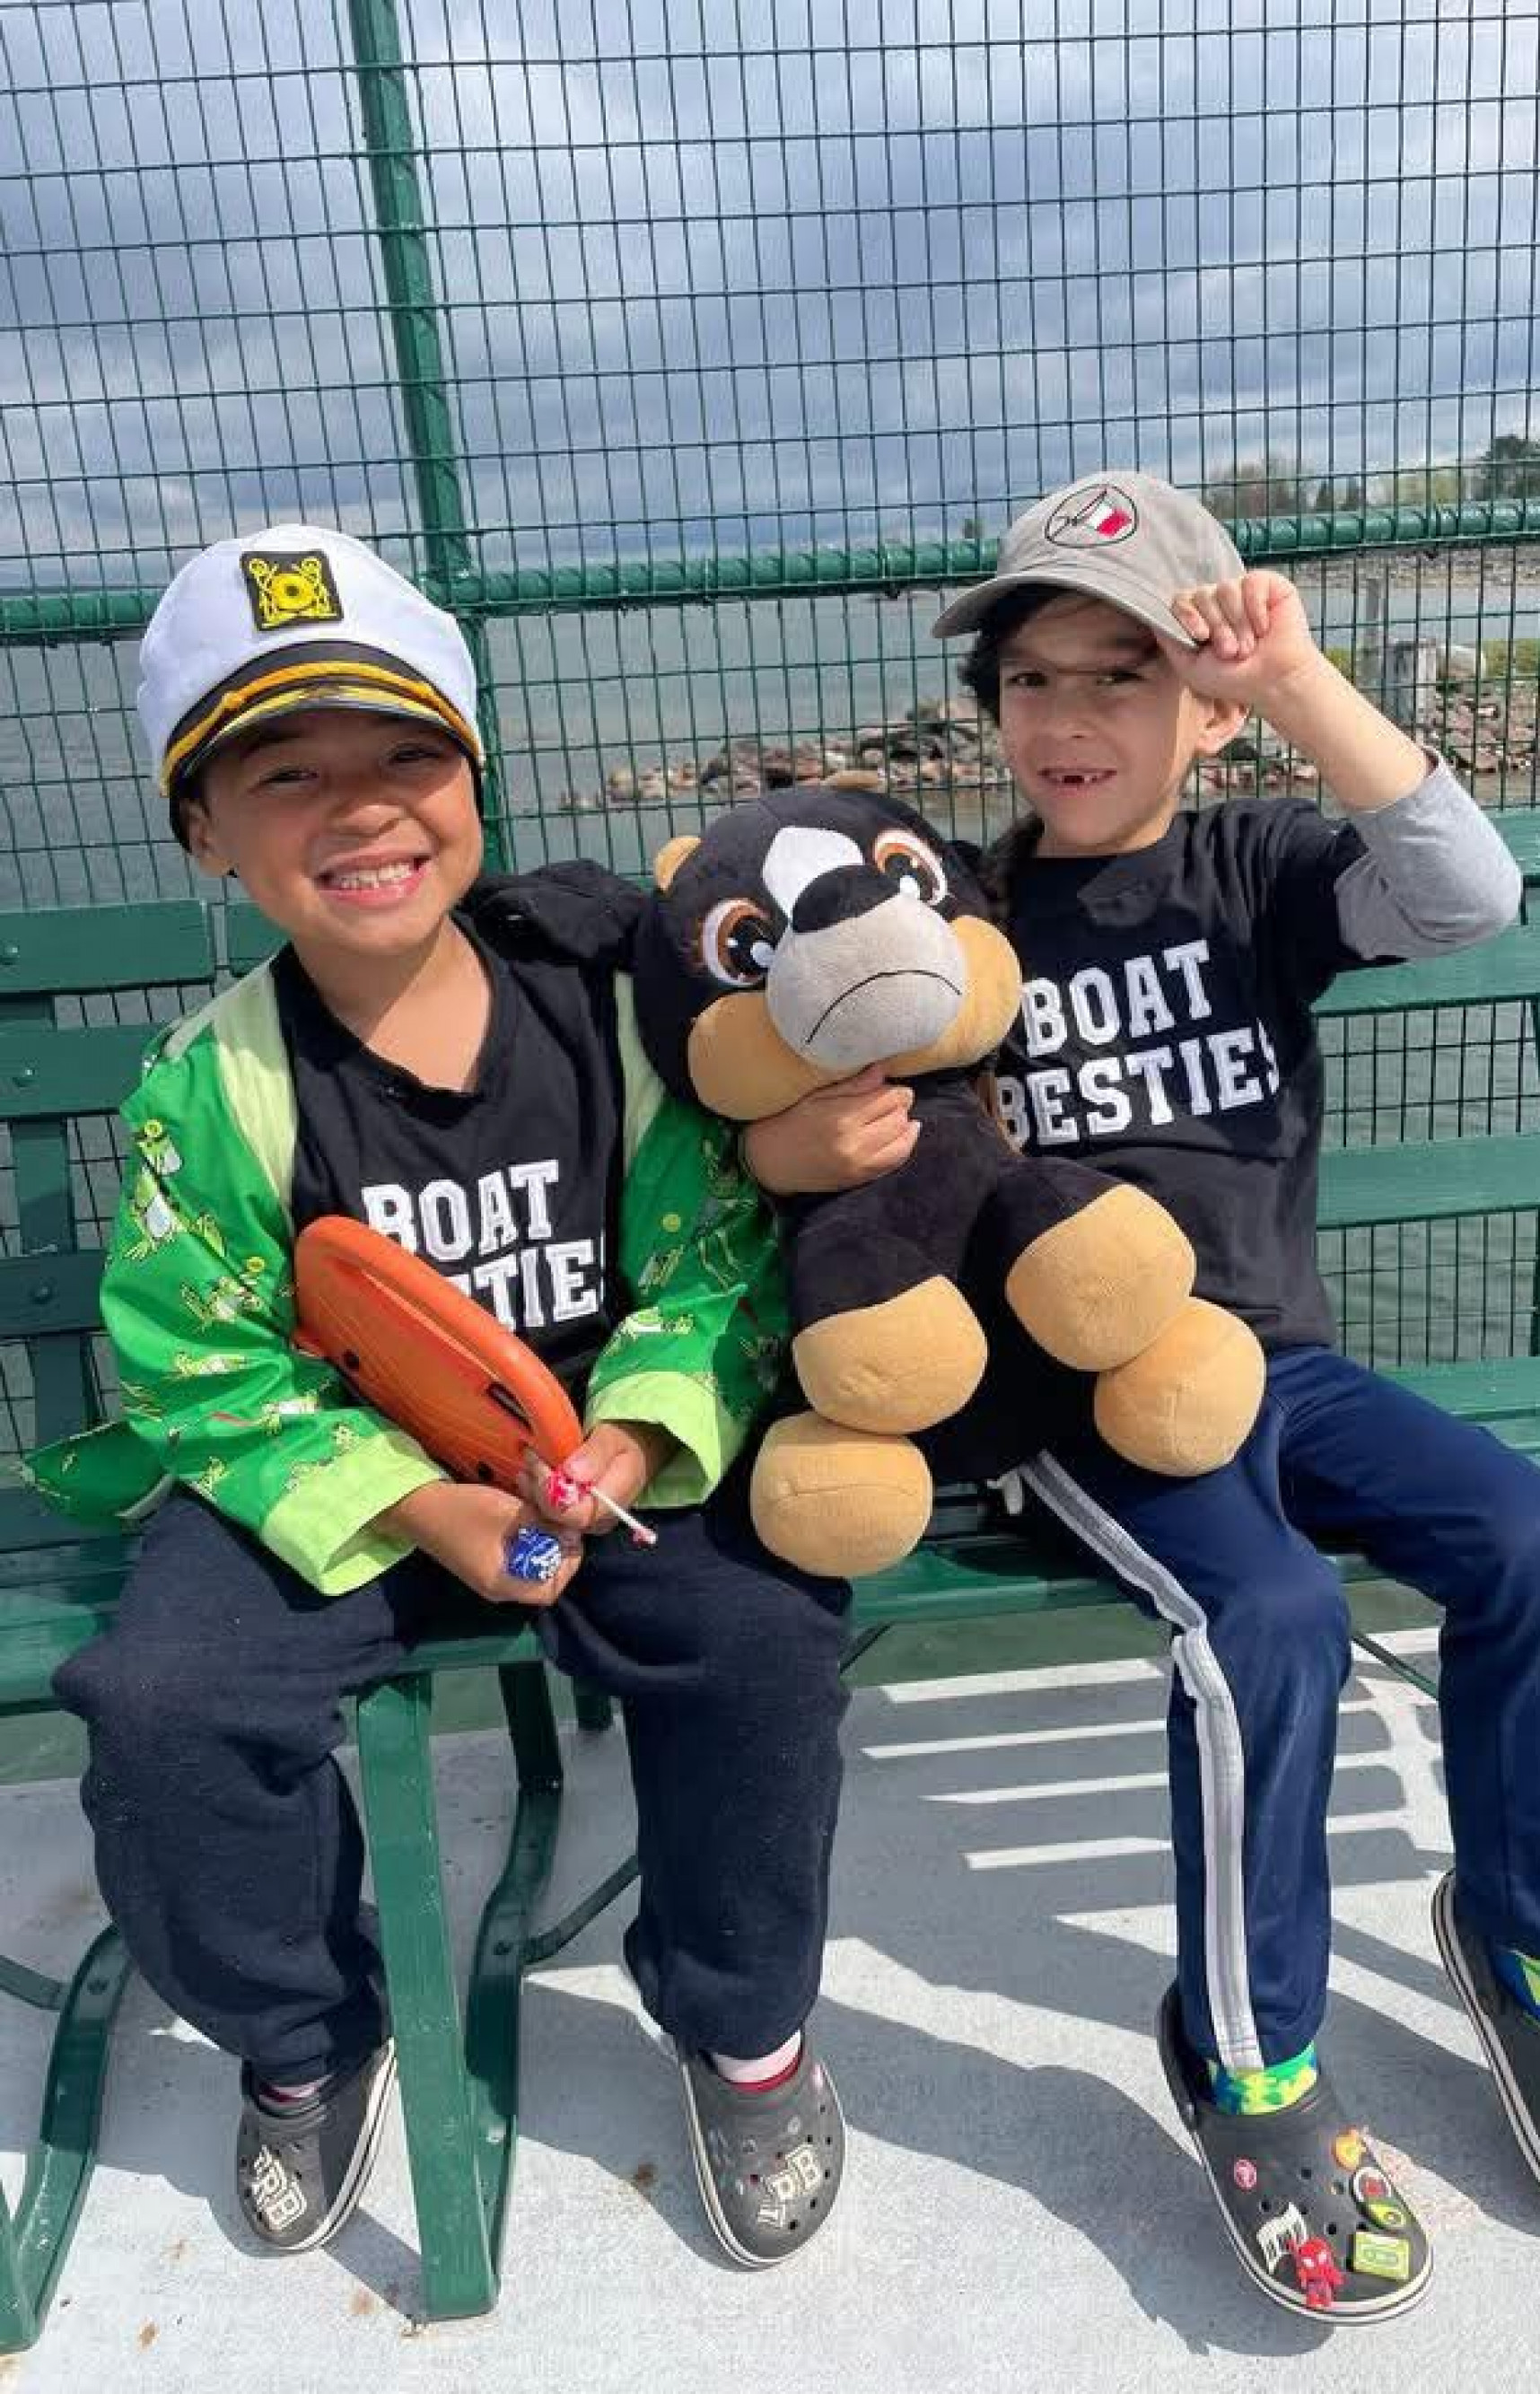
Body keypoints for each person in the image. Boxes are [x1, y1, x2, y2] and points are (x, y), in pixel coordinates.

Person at [745, 470, 1540, 2320]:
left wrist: (1306, 679)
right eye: (1031, 682)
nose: (1069, 721)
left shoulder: (1254, 869)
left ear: (1207, 708)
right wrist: (796, 1124)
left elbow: (1465, 889)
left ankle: (1533, 1946)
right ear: (991, 708)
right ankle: (1248, 2054)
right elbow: (789, 1074)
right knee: (1265, 1614)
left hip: (1285, 1364)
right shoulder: (965, 916)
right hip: (1085, 1411)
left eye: (1121, 676)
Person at [32, 523, 848, 2269]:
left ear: (473, 773)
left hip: (597, 1453)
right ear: (203, 828)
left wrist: (630, 1426)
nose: (363, 808)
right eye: (283, 773)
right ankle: (306, 2029)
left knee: (765, 1637)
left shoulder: (610, 1009)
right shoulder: (213, 1086)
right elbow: (200, 1353)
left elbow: (714, 1260)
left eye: (409, 754)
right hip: (348, 1470)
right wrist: (422, 1505)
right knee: (161, 1696)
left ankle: (740, 2016)